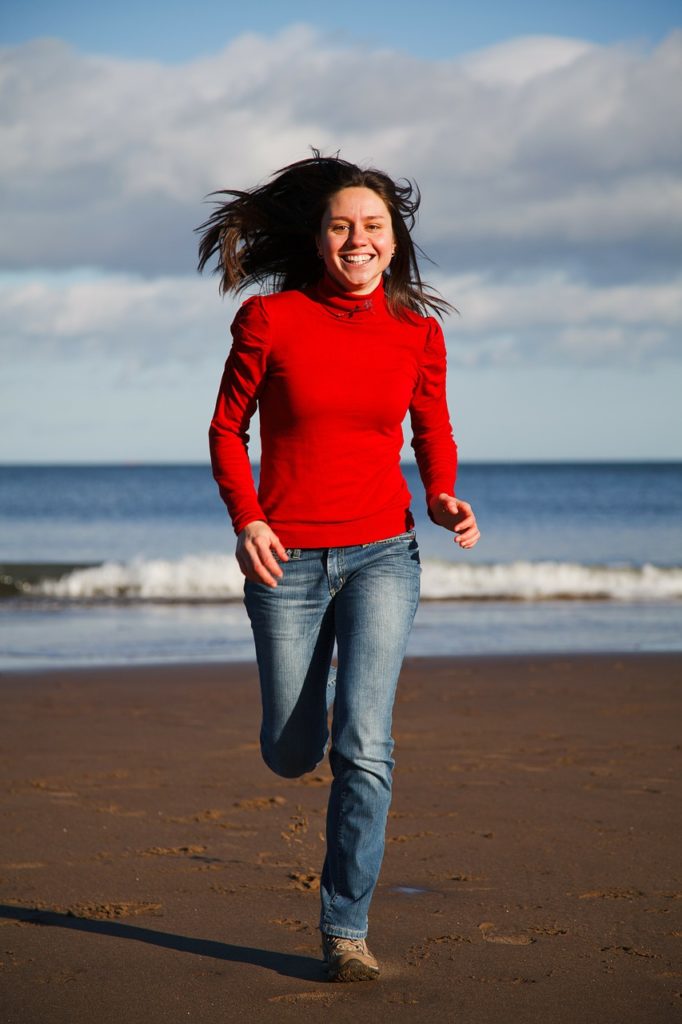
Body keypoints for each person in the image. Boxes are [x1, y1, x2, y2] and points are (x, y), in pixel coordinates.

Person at [197, 151, 480, 983]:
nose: (358, 240)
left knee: (365, 745)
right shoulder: (270, 320)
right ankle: (302, 724)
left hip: (384, 554)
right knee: (292, 752)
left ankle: (344, 931)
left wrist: (441, 495)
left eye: (374, 228)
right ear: (319, 237)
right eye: (342, 225)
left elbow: (431, 428)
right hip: (284, 559)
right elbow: (225, 430)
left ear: (394, 243)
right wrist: (246, 518)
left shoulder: (419, 334)